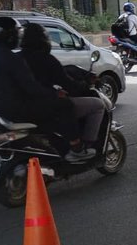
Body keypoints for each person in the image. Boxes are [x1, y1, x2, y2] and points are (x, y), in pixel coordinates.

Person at [0, 17, 92, 161]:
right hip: (12, 111)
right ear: (10, 36)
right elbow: (31, 87)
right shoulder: (11, 58)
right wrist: (55, 94)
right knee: (65, 105)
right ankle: (76, 148)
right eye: (16, 34)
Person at [19, 23, 105, 154]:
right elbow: (68, 84)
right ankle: (83, 146)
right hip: (44, 107)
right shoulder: (46, 59)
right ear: (43, 39)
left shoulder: (16, 59)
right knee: (98, 105)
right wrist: (85, 84)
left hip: (22, 108)